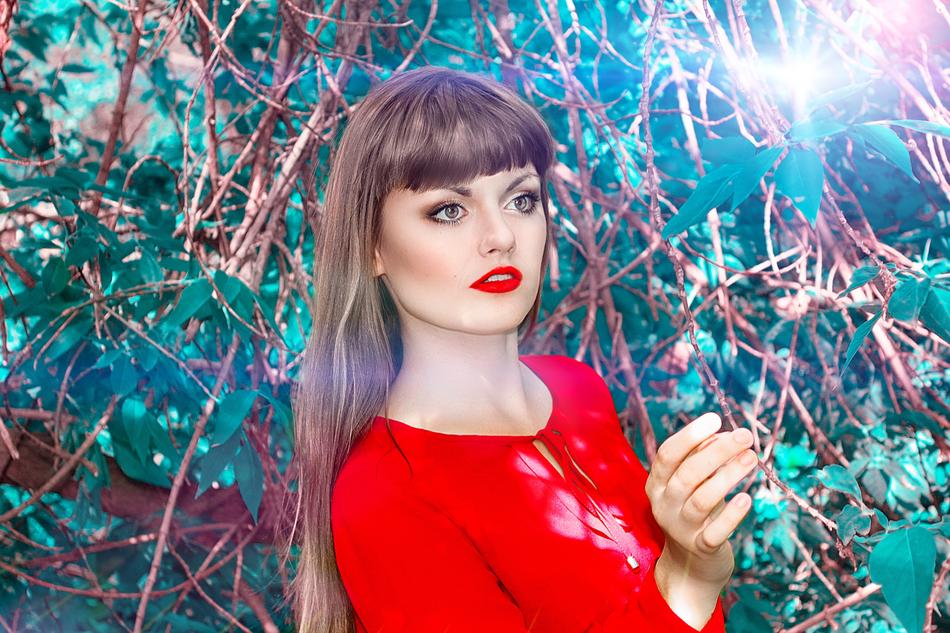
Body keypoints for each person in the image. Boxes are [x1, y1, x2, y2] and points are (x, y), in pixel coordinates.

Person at [289, 66, 757, 633]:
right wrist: (689, 576)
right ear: (370, 247)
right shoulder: (384, 496)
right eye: (448, 210)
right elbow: (677, 596)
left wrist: (690, 546)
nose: (501, 236)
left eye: (520, 199)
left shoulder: (577, 386)